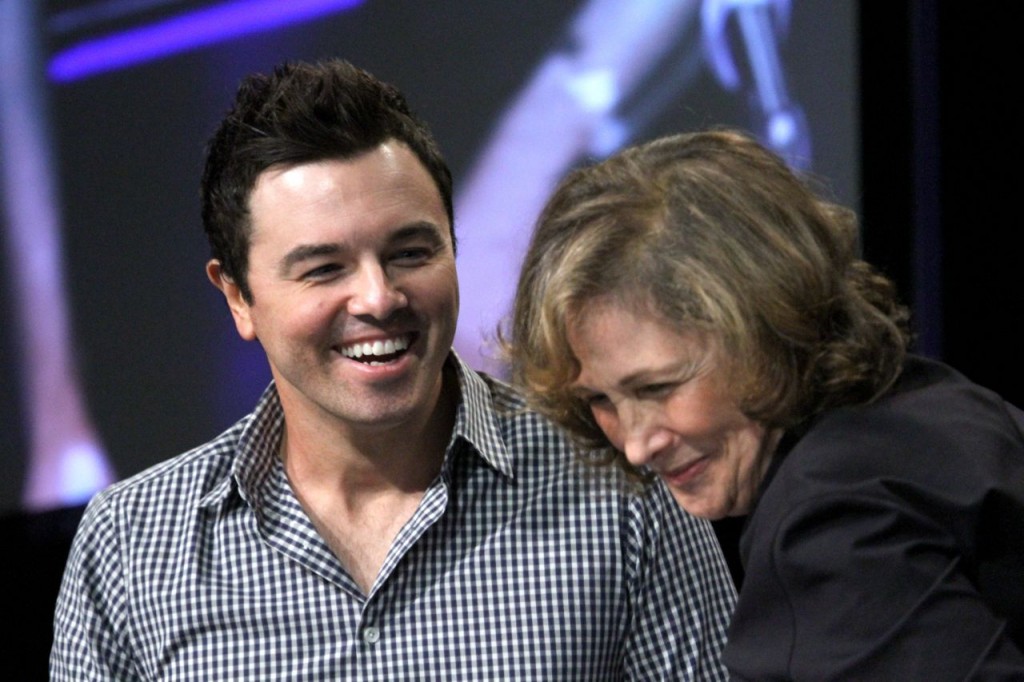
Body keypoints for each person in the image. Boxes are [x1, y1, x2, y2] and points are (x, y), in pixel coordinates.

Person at [49, 59, 737, 679]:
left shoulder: (618, 486)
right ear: (237, 296)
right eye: (324, 269)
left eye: (411, 252)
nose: (379, 298)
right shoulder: (132, 545)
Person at [506, 128, 1024, 679]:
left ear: (766, 329)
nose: (635, 444)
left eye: (658, 388)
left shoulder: (834, 530)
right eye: (599, 400)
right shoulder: (933, 406)